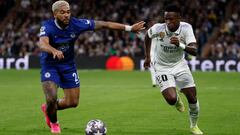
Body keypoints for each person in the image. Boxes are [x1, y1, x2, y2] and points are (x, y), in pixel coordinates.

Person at [38, 0, 145, 134]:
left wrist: (129, 28)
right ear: (55, 14)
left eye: (68, 12)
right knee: (51, 97)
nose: (66, 15)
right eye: (62, 12)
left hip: (68, 66)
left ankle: (49, 108)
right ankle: (54, 123)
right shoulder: (47, 26)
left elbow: (104, 24)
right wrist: (53, 50)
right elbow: (42, 44)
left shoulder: (76, 24)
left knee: (73, 102)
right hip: (50, 65)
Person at [143, 4, 203, 135]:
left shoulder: (186, 28)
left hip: (180, 65)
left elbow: (195, 51)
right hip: (162, 67)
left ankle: (194, 126)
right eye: (166, 19)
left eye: (171, 19)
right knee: (171, 99)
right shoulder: (158, 28)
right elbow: (147, 37)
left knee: (192, 98)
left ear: (179, 18)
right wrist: (147, 57)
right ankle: (176, 101)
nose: (168, 22)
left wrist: (180, 44)